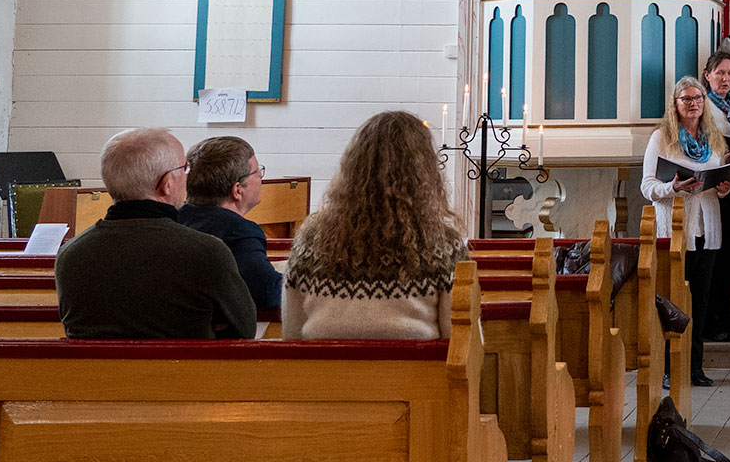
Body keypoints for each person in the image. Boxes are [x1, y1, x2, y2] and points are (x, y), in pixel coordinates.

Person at [55, 126, 257, 340]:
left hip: (92, 374)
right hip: (187, 372)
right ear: (167, 184)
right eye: (185, 168)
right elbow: (243, 331)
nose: (187, 177)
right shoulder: (206, 252)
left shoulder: (71, 254)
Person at [282, 111, 470, 339]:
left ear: (352, 166)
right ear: (425, 173)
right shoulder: (442, 243)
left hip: (322, 372)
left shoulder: (310, 238)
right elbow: (459, 336)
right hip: (414, 373)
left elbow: (292, 333)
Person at [641, 76, 730, 386]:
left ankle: (695, 367)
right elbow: (647, 186)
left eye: (698, 98)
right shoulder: (662, 138)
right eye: (687, 99)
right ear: (675, 104)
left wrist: (723, 187)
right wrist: (674, 186)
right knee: (674, 301)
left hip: (707, 228)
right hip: (675, 227)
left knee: (701, 301)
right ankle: (670, 367)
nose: (694, 103)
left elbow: (719, 181)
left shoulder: (714, 138)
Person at [179, 134, 282, 310]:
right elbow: (267, 292)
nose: (260, 177)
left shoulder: (173, 218)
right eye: (257, 171)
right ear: (237, 190)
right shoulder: (240, 231)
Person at [701, 49, 730, 341]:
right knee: (714, 256)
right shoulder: (703, 104)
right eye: (720, 73)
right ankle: (710, 319)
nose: (726, 78)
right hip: (712, 185)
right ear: (708, 76)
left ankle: (726, 315)